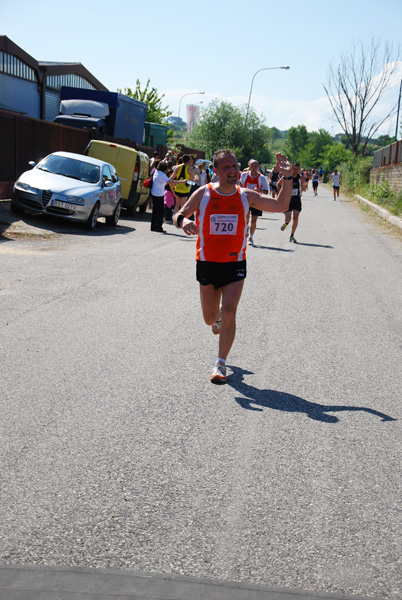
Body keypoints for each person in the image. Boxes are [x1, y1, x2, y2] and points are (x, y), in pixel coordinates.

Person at [173, 149, 293, 384]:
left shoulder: (246, 196)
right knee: (210, 318)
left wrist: (288, 178)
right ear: (215, 171)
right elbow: (179, 214)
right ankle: (216, 321)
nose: (232, 170)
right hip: (207, 262)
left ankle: (221, 363)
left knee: (229, 310)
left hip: (235, 264)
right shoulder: (203, 194)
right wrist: (185, 220)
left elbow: (280, 205)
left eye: (235, 166)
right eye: (226, 167)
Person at [150, 162, 187, 233]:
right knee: (160, 212)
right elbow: (171, 182)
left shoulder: (156, 172)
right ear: (164, 169)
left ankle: (153, 226)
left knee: (155, 211)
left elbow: (167, 180)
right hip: (159, 195)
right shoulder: (162, 175)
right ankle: (158, 227)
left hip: (154, 193)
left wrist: (173, 175)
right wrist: (183, 181)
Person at [240, 159, 269, 246]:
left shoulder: (261, 178)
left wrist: (259, 190)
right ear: (249, 166)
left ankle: (251, 237)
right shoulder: (244, 175)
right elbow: (240, 187)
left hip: (256, 201)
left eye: (255, 166)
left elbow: (266, 191)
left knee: (254, 221)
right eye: (252, 166)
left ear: (258, 167)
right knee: (246, 219)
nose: (253, 168)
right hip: (246, 201)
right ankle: (246, 229)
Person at [279, 162, 305, 243]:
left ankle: (292, 235)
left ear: (299, 169)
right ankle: (286, 223)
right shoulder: (287, 176)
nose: (296, 170)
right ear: (292, 168)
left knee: (296, 218)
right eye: (294, 169)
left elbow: (304, 185)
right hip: (288, 199)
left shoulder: (300, 177)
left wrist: (304, 187)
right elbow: (278, 184)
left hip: (297, 199)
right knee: (288, 218)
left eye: (297, 169)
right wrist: (281, 194)